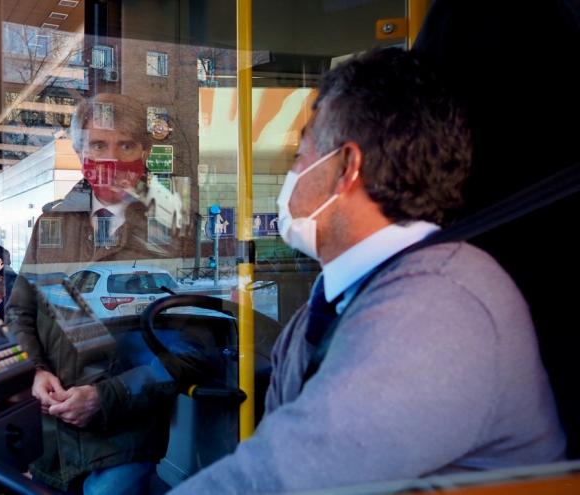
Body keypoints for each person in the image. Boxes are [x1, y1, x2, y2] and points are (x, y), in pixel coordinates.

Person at [171, 48, 564, 494]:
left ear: (347, 168)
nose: (292, 175)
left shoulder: (440, 307)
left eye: (301, 155)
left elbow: (277, 479)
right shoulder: (337, 303)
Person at [8, 93, 179, 493]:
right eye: (99, 144)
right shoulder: (52, 223)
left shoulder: (175, 230)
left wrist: (105, 397)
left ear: (146, 150)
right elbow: (20, 311)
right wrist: (34, 370)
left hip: (126, 436)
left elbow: (192, 347)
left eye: (126, 145)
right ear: (80, 149)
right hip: (51, 435)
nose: (113, 157)